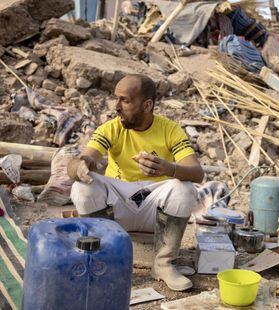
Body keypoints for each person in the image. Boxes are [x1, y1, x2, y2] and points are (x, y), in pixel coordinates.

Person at [67, 74, 204, 291]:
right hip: (116, 208)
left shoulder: (170, 130)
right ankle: (105, 261)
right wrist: (80, 166)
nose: (116, 107)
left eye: (125, 100)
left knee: (185, 189)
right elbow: (86, 158)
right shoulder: (110, 128)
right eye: (116, 99)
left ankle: (163, 264)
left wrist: (169, 169)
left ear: (147, 105)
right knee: (82, 187)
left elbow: (197, 173)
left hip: (154, 210)